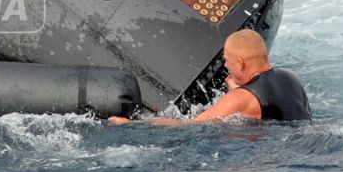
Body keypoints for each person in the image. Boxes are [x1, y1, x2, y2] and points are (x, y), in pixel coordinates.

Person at [110, 29, 311, 126]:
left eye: (227, 60)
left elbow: (189, 126)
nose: (225, 66)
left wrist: (132, 124)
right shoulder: (291, 76)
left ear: (240, 63)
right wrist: (239, 91)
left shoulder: (240, 99)